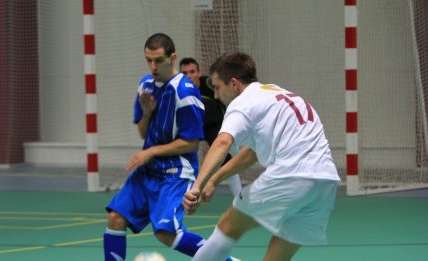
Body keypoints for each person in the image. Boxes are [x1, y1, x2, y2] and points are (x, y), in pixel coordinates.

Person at [183, 51, 341, 261]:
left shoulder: (242, 103)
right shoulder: (275, 94)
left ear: (233, 83)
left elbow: (222, 142)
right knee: (279, 254)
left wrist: (196, 186)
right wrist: (214, 180)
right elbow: (251, 155)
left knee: (229, 225)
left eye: (217, 87)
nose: (215, 95)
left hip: (291, 175)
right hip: (326, 184)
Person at [103, 33, 237, 261]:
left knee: (166, 233)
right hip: (148, 171)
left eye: (158, 60)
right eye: (148, 60)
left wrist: (151, 151)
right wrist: (146, 114)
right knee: (115, 219)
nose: (153, 66)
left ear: (172, 57)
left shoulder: (185, 92)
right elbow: (143, 133)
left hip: (176, 172)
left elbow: (191, 143)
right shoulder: (145, 86)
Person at [179, 57, 242, 197]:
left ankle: (239, 197)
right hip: (192, 129)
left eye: (192, 71)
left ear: (199, 73)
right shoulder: (177, 91)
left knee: (230, 159)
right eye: (184, 73)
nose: (189, 76)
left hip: (216, 127)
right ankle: (183, 195)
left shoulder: (209, 83)